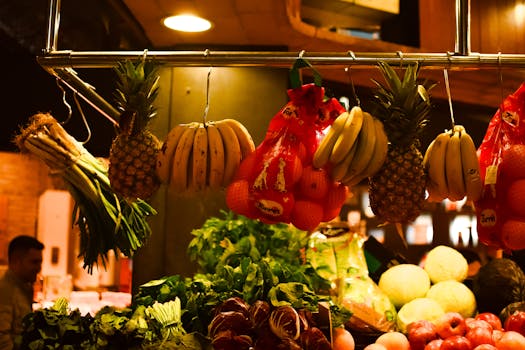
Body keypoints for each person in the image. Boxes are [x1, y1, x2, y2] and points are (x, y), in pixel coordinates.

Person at [0, 235, 44, 350]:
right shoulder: (5, 291)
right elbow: (2, 338)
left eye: (40, 262)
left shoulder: (24, 287)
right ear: (16, 261)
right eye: (34, 262)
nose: (39, 268)